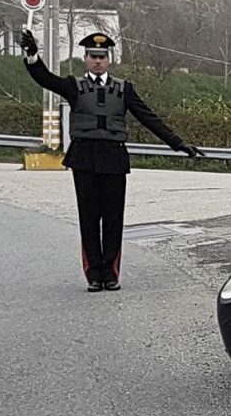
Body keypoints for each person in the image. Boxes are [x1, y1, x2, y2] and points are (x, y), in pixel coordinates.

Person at [18, 30, 204, 292]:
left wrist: (178, 143)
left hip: (114, 157)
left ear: (109, 59)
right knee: (89, 218)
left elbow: (148, 118)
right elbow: (45, 79)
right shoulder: (74, 86)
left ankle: (111, 273)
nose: (97, 61)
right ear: (85, 58)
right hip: (84, 158)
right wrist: (32, 55)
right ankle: (94, 273)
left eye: (102, 57)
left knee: (113, 219)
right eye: (93, 56)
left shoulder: (124, 89)